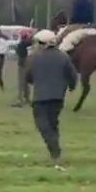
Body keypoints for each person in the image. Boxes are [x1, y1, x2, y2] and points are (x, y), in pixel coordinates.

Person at [25, 29, 77, 170]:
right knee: (53, 124)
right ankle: (55, 151)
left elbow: (28, 77)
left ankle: (55, 152)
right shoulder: (63, 56)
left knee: (44, 126)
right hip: (58, 97)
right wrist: (71, 87)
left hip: (40, 97)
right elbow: (72, 75)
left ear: (42, 43)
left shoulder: (33, 57)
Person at [12, 28, 33, 106]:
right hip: (29, 64)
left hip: (23, 64)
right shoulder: (29, 42)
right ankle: (26, 99)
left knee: (21, 82)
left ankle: (20, 100)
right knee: (26, 83)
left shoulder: (22, 43)